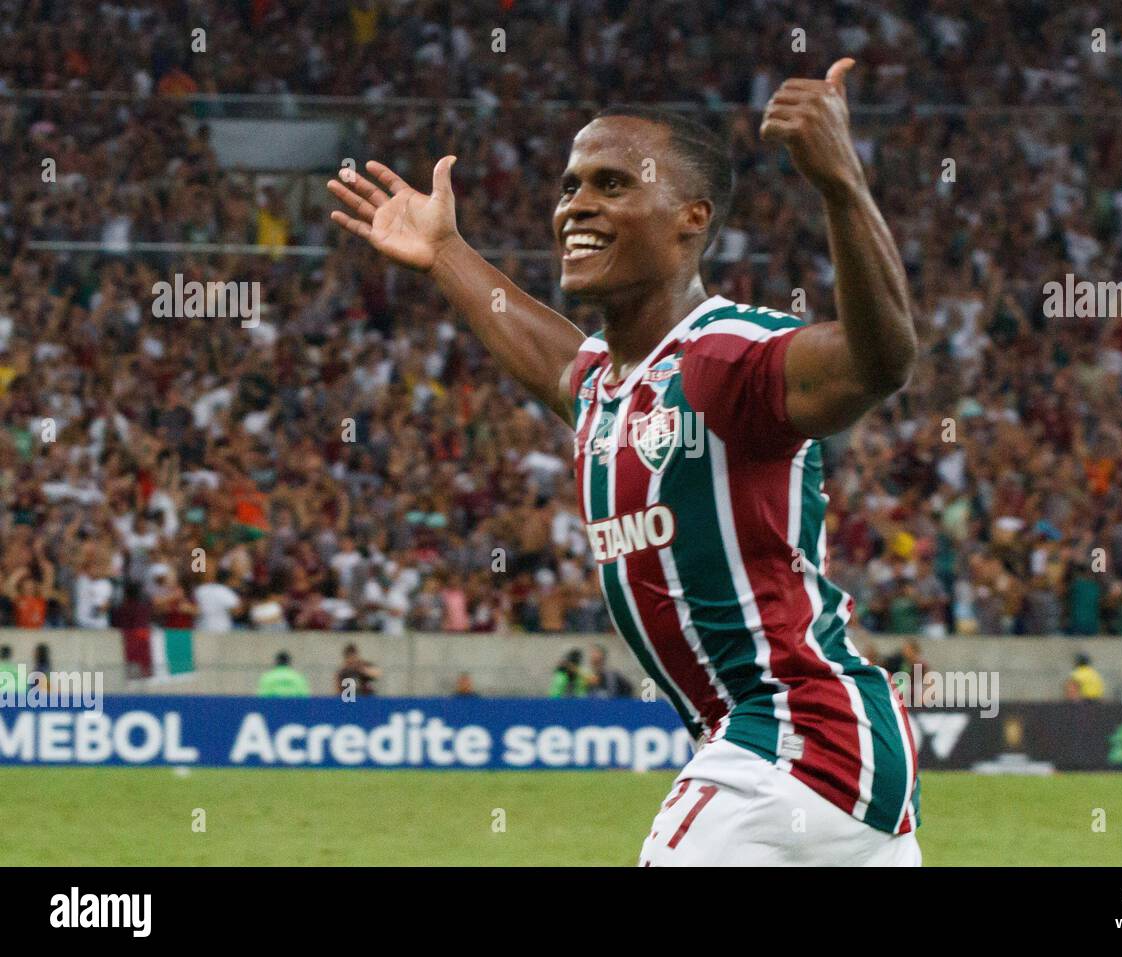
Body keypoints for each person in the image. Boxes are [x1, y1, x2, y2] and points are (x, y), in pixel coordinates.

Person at [328, 57, 920, 866]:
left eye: (612, 185)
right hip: (813, 758)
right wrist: (445, 252)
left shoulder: (729, 357)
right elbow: (551, 358)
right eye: (571, 186)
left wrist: (841, 185)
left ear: (691, 218)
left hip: (792, 738)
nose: (576, 206)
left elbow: (877, 362)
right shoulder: (609, 385)